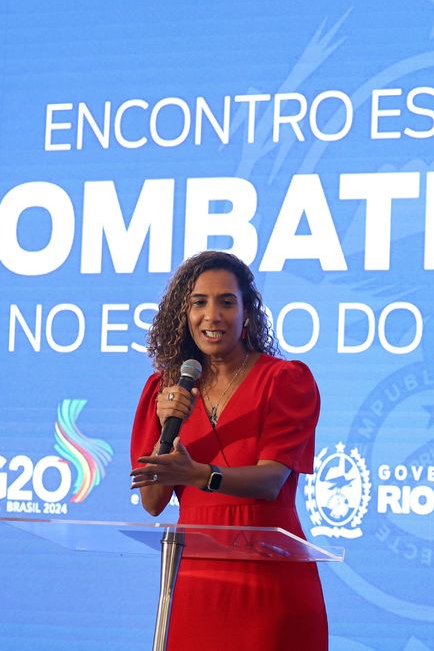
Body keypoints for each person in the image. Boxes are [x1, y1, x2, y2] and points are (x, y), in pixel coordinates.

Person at [128, 250, 327, 651]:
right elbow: (151, 501)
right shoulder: (164, 390)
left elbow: (271, 481)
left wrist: (198, 474)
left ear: (247, 313)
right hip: (197, 580)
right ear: (184, 314)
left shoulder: (284, 381)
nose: (212, 315)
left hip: (269, 578)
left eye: (226, 302)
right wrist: (167, 430)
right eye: (199, 302)